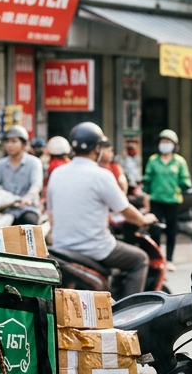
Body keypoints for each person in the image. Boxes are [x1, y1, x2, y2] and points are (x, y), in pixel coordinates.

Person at [47, 123, 156, 299]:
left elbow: (51, 214)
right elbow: (125, 209)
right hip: (95, 249)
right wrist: (143, 220)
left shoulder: (56, 173)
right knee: (140, 259)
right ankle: (130, 314)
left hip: (61, 248)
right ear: (97, 148)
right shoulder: (102, 175)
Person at [143, 129, 192, 271]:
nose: (165, 144)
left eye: (168, 142)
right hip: (156, 200)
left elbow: (185, 181)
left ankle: (169, 260)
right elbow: (147, 181)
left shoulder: (179, 161)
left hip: (173, 201)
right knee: (155, 231)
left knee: (171, 231)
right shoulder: (153, 160)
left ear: (174, 145)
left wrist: (178, 187)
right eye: (162, 141)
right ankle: (156, 259)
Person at [0, 125, 43, 204]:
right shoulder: (1, 164)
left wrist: (28, 197)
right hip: (6, 206)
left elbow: (36, 185)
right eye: (7, 141)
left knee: (29, 216)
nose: (9, 145)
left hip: (27, 207)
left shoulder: (34, 162)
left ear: (24, 144)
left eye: (14, 141)